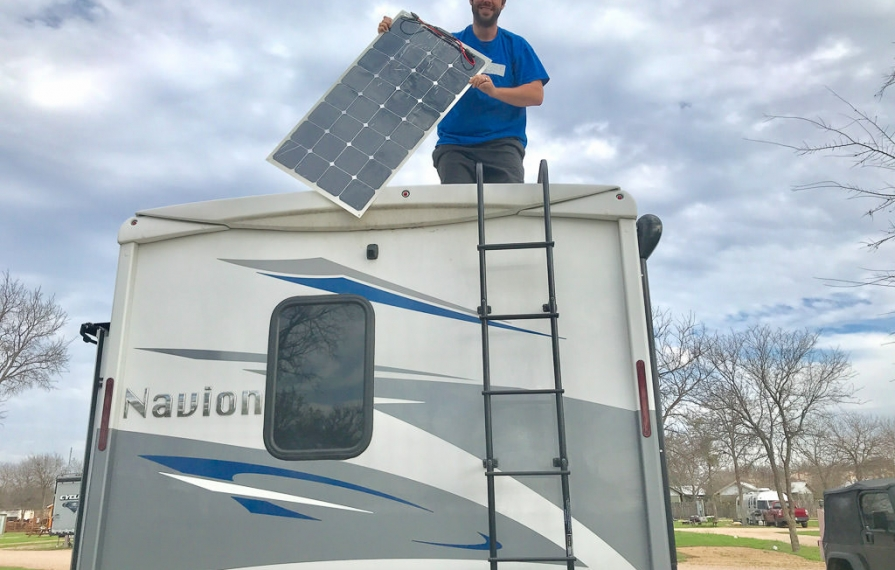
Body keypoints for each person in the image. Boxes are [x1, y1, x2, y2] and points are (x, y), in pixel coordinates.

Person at [378, 0, 548, 184]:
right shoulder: (449, 45)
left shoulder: (516, 45)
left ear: (503, 3)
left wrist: (494, 91)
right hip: (455, 147)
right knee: (459, 201)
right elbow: (411, 76)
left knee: (505, 203)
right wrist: (393, 36)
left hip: (503, 145)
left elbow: (535, 95)